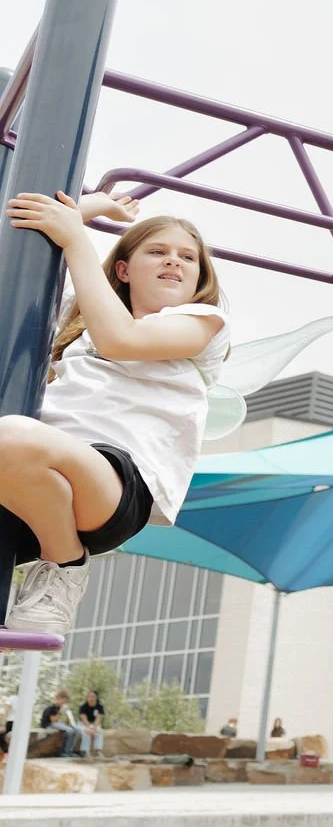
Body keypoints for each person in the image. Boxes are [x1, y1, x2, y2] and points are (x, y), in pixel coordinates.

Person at [0, 193, 227, 640]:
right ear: (123, 269)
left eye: (187, 257)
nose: (173, 262)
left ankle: (65, 566)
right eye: (157, 251)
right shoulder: (82, 317)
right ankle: (53, 556)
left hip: (114, 486)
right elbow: (21, 247)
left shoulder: (202, 321)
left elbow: (120, 341)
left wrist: (76, 237)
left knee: (9, 438)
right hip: (31, 486)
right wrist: (95, 207)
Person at [40, 691, 84, 758]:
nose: (64, 703)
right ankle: (64, 752)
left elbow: (58, 720)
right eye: (64, 701)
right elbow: (53, 720)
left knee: (76, 730)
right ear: (59, 698)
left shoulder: (58, 707)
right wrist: (60, 712)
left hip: (55, 723)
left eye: (65, 702)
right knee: (69, 731)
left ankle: (70, 751)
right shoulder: (52, 707)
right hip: (49, 724)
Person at [77, 690, 105, 757]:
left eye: (93, 696)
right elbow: (84, 719)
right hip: (82, 724)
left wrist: (94, 728)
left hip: (94, 724)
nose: (91, 698)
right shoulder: (83, 707)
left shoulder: (100, 707)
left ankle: (98, 751)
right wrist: (90, 728)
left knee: (99, 732)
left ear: (96, 698)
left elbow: (98, 719)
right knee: (87, 732)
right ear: (87, 698)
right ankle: (85, 751)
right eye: (89, 696)